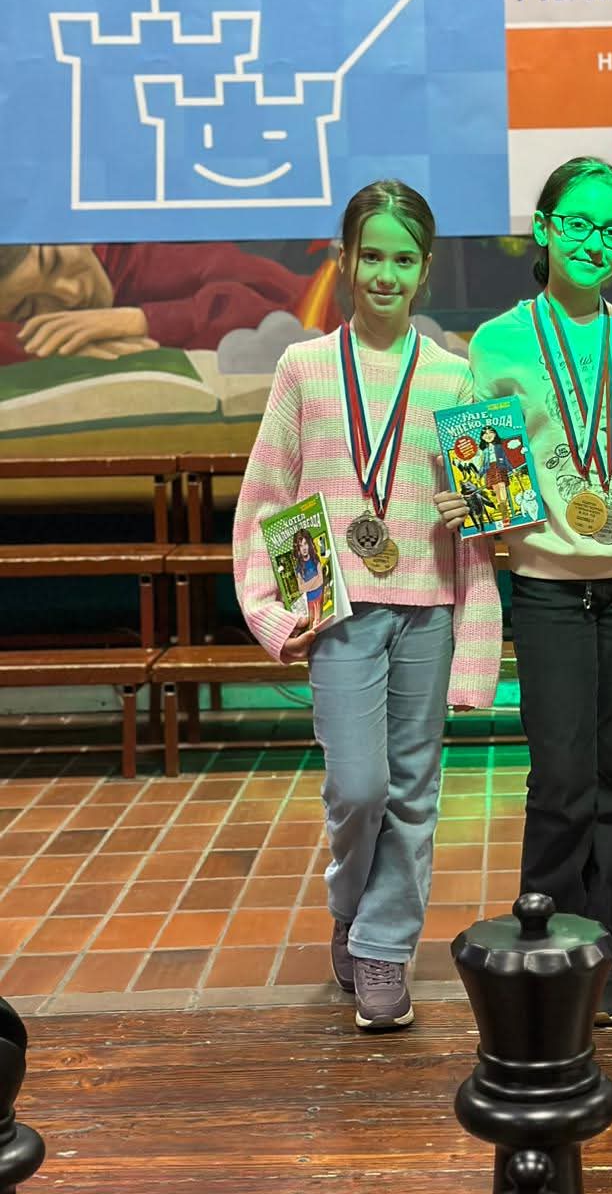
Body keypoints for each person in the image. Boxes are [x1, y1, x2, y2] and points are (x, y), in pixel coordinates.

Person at [433, 156, 612, 1027]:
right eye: (579, 223)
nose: (595, 242)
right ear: (545, 228)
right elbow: (483, 472)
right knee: (560, 781)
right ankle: (548, 944)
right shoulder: (499, 342)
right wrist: (469, 497)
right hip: (549, 584)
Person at [233, 180, 501, 1031]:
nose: (386, 274)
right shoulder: (304, 367)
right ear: (346, 260)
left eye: (404, 259)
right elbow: (268, 496)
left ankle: (383, 947)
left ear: (425, 269)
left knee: (413, 790)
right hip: (336, 609)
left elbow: (489, 516)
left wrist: (474, 508)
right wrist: (277, 610)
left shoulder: (456, 375)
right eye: (372, 255)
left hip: (429, 606)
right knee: (359, 786)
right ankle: (350, 909)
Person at [0, 240, 325, 362]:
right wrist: (45, 344)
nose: (71, 293)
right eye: (29, 308)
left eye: (55, 262)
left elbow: (295, 303)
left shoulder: (149, 251)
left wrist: (140, 321)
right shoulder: (19, 329)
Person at [293, 527, 325, 629]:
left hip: (320, 595)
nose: (304, 548)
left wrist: (308, 585)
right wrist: (315, 579)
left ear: (309, 544)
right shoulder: (299, 567)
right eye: (300, 545)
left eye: (305, 544)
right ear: (298, 549)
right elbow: (301, 588)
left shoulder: (315, 559)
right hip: (309, 600)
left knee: (321, 621)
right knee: (311, 625)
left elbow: (321, 580)